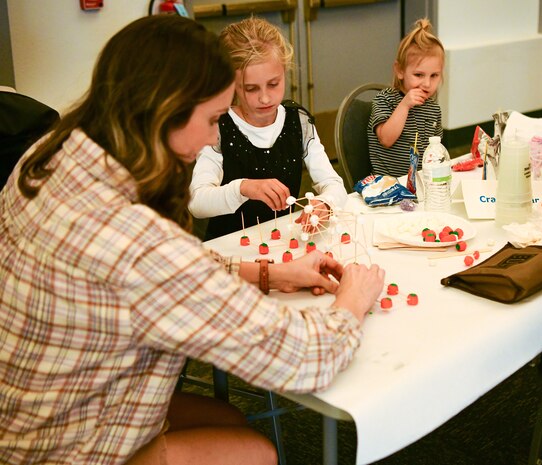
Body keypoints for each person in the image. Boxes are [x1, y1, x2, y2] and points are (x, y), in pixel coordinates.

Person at [0, 15, 384, 465]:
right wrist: (353, 300)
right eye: (213, 119)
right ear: (166, 109)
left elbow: (153, 273)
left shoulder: (47, 158)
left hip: (28, 411)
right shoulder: (137, 240)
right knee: (256, 452)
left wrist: (268, 272)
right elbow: (303, 359)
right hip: (63, 448)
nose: (212, 136)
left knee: (229, 419)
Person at [188, 16, 347, 240]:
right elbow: (197, 203)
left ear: (284, 71)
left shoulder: (296, 121)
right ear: (229, 84)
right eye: (251, 88)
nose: (265, 98)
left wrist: (325, 203)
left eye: (273, 84)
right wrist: (243, 188)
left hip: (283, 240)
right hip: (231, 247)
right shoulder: (218, 126)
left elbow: (334, 184)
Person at [367, 18, 444, 178]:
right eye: (418, 75)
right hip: (388, 186)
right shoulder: (385, 100)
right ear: (400, 70)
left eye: (434, 75)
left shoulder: (433, 109)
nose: (427, 83)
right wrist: (405, 105)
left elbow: (436, 152)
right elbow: (386, 139)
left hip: (422, 184)